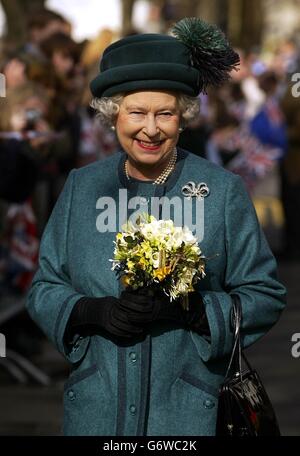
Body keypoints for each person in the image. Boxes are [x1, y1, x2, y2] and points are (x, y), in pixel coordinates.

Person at [26, 18, 286, 436]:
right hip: (97, 412)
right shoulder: (82, 187)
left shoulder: (221, 191)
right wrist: (92, 312)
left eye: (165, 113)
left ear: (183, 117)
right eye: (137, 112)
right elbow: (44, 287)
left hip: (188, 413)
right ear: (114, 116)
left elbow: (265, 293)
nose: (151, 128)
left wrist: (196, 311)